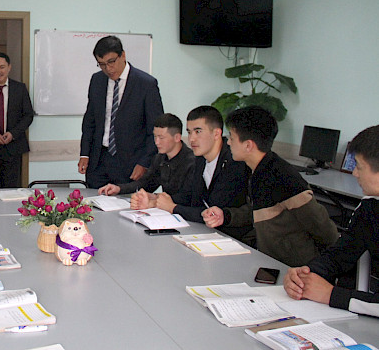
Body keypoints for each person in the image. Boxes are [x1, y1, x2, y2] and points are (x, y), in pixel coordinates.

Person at [203, 106, 338, 266]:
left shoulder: (283, 177)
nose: (228, 142)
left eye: (232, 137)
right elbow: (257, 212)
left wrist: (322, 270)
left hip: (296, 267)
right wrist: (226, 216)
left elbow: (322, 227)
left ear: (248, 145)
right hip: (270, 260)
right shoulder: (257, 170)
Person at [283, 125, 379, 316]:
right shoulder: (370, 206)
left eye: (359, 167)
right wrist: (305, 275)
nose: (355, 173)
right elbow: (341, 253)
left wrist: (332, 295)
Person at [133, 105, 252, 242]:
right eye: (189, 132)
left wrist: (173, 208)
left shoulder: (233, 161)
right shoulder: (200, 158)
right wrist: (154, 201)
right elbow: (190, 197)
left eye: (198, 131)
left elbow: (211, 211)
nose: (191, 139)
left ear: (216, 134)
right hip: (207, 233)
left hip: (234, 238)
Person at [79, 35, 164, 189]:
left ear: (123, 55)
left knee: (125, 202)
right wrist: (84, 154)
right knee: (94, 201)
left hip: (131, 164)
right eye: (102, 64)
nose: (108, 69)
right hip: (99, 162)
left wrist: (144, 162)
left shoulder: (146, 84)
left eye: (111, 62)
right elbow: (90, 121)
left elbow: (155, 129)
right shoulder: (97, 80)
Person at [98, 113, 195, 202]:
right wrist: (119, 188)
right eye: (155, 137)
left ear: (177, 137)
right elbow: (145, 183)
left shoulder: (191, 162)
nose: (157, 142)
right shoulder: (159, 158)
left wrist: (155, 198)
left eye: (161, 138)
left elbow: (186, 198)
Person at [0, 52, 35, 188]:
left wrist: (13, 133)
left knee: (11, 188)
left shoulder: (20, 88)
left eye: (2, 67)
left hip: (13, 146)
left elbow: (28, 115)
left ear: (9, 67)